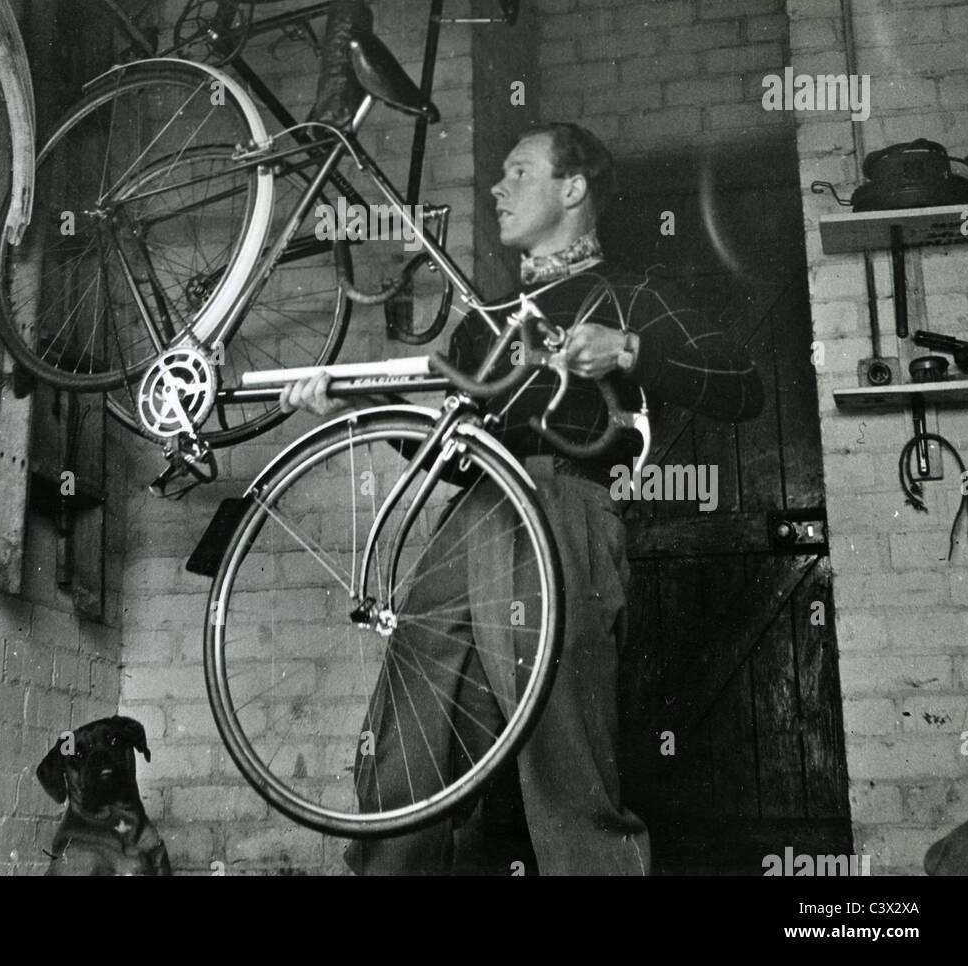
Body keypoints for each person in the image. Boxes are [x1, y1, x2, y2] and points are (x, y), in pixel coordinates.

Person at [281, 123, 764, 875]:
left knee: (562, 757)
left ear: (573, 189)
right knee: (411, 742)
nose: (498, 189)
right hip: (473, 512)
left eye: (519, 172)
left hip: (563, 509)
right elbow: (443, 447)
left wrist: (628, 348)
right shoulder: (488, 317)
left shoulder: (631, 293)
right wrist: (353, 407)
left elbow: (743, 385)